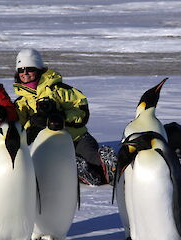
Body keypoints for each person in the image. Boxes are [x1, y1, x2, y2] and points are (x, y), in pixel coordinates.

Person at [13, 48, 114, 185]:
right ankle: (85, 173)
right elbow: (18, 128)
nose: (25, 73)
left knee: (92, 158)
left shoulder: (59, 90)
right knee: (63, 165)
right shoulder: (21, 102)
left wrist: (61, 116)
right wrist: (36, 121)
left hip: (76, 137)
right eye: (21, 70)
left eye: (29, 69)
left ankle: (107, 167)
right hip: (50, 145)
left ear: (38, 69)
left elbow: (81, 110)